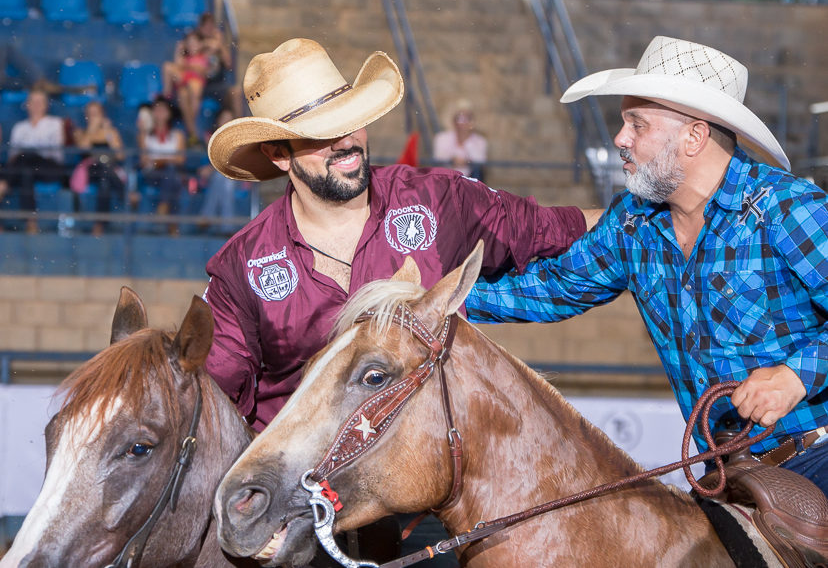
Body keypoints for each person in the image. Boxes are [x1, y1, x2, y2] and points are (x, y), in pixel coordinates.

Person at [466, 36, 828, 498]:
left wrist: (797, 375)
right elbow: (550, 288)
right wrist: (431, 296)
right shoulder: (632, 221)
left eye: (637, 124)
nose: (620, 138)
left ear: (694, 136)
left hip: (817, 456)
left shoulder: (787, 209)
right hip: (726, 478)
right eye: (624, 123)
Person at [202, 37, 600, 432]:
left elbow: (556, 228)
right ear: (278, 154)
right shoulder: (242, 265)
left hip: (437, 471)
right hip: (303, 483)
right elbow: (210, 401)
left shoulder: (438, 199)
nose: (347, 142)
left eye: (351, 120)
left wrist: (652, 211)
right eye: (320, 133)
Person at [6, 88, 66, 233]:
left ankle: (3, 184)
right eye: (33, 101)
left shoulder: (56, 123)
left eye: (40, 102)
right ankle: (30, 221)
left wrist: (29, 153)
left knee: (27, 159)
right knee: (26, 170)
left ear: (46, 105)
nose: (36, 105)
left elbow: (54, 151)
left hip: (50, 167)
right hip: (26, 169)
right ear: (27, 104)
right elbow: (12, 156)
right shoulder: (19, 127)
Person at [70, 100, 126, 235]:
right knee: (103, 170)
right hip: (91, 169)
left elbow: (120, 156)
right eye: (90, 114)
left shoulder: (111, 132)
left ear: (103, 115)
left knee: (104, 181)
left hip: (108, 170)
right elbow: (83, 149)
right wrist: (91, 130)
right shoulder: (80, 132)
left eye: (96, 114)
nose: (93, 117)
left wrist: (108, 134)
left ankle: (99, 224)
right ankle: (123, 192)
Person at [137, 97, 186, 234]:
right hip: (152, 173)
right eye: (156, 109)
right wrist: (167, 160)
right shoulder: (144, 135)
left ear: (169, 113)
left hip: (170, 174)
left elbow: (181, 159)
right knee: (173, 177)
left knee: (172, 176)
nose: (159, 113)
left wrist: (160, 160)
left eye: (163, 109)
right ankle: (172, 223)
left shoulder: (177, 134)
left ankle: (163, 208)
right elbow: (144, 160)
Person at [197, 107, 242, 235]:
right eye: (224, 118)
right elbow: (202, 164)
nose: (226, 121)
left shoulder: (239, 140)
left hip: (236, 178)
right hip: (212, 179)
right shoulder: (209, 138)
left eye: (229, 119)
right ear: (218, 120)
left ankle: (206, 216)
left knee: (224, 179)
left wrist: (212, 168)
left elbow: (234, 163)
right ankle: (227, 226)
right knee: (222, 179)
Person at [162, 31, 210, 145]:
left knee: (190, 88)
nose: (191, 46)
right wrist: (179, 50)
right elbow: (177, 65)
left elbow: (201, 70)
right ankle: (167, 94)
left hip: (194, 84)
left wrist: (186, 66)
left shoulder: (204, 56)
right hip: (184, 80)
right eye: (189, 44)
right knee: (167, 67)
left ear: (200, 44)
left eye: (194, 43)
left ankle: (191, 131)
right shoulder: (185, 57)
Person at [196, 12, 243, 118]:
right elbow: (195, 62)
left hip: (219, 85)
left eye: (211, 26)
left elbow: (229, 64)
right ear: (201, 27)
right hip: (203, 85)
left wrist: (220, 45)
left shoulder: (218, 44)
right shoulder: (196, 41)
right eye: (206, 26)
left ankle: (239, 124)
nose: (209, 29)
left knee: (236, 92)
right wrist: (206, 46)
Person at [432, 99, 487, 180]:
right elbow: (438, 157)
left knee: (477, 172)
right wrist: (452, 159)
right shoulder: (442, 138)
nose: (463, 122)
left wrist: (466, 140)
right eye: (460, 118)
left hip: (470, 178)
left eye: (467, 118)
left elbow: (480, 160)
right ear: (453, 120)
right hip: (448, 177)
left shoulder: (480, 140)